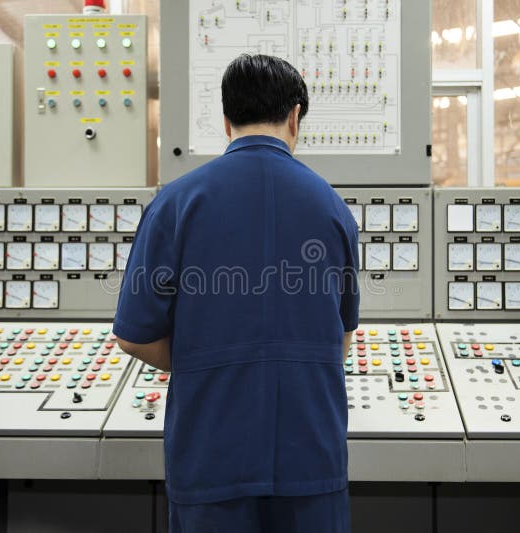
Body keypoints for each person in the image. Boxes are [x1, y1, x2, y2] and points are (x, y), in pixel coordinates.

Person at [113, 53, 359, 533]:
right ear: (294, 116)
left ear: (225, 121)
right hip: (310, 456)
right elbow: (342, 337)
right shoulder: (332, 207)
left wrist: (202, 357)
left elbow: (134, 336)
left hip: (211, 454)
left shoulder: (176, 203)